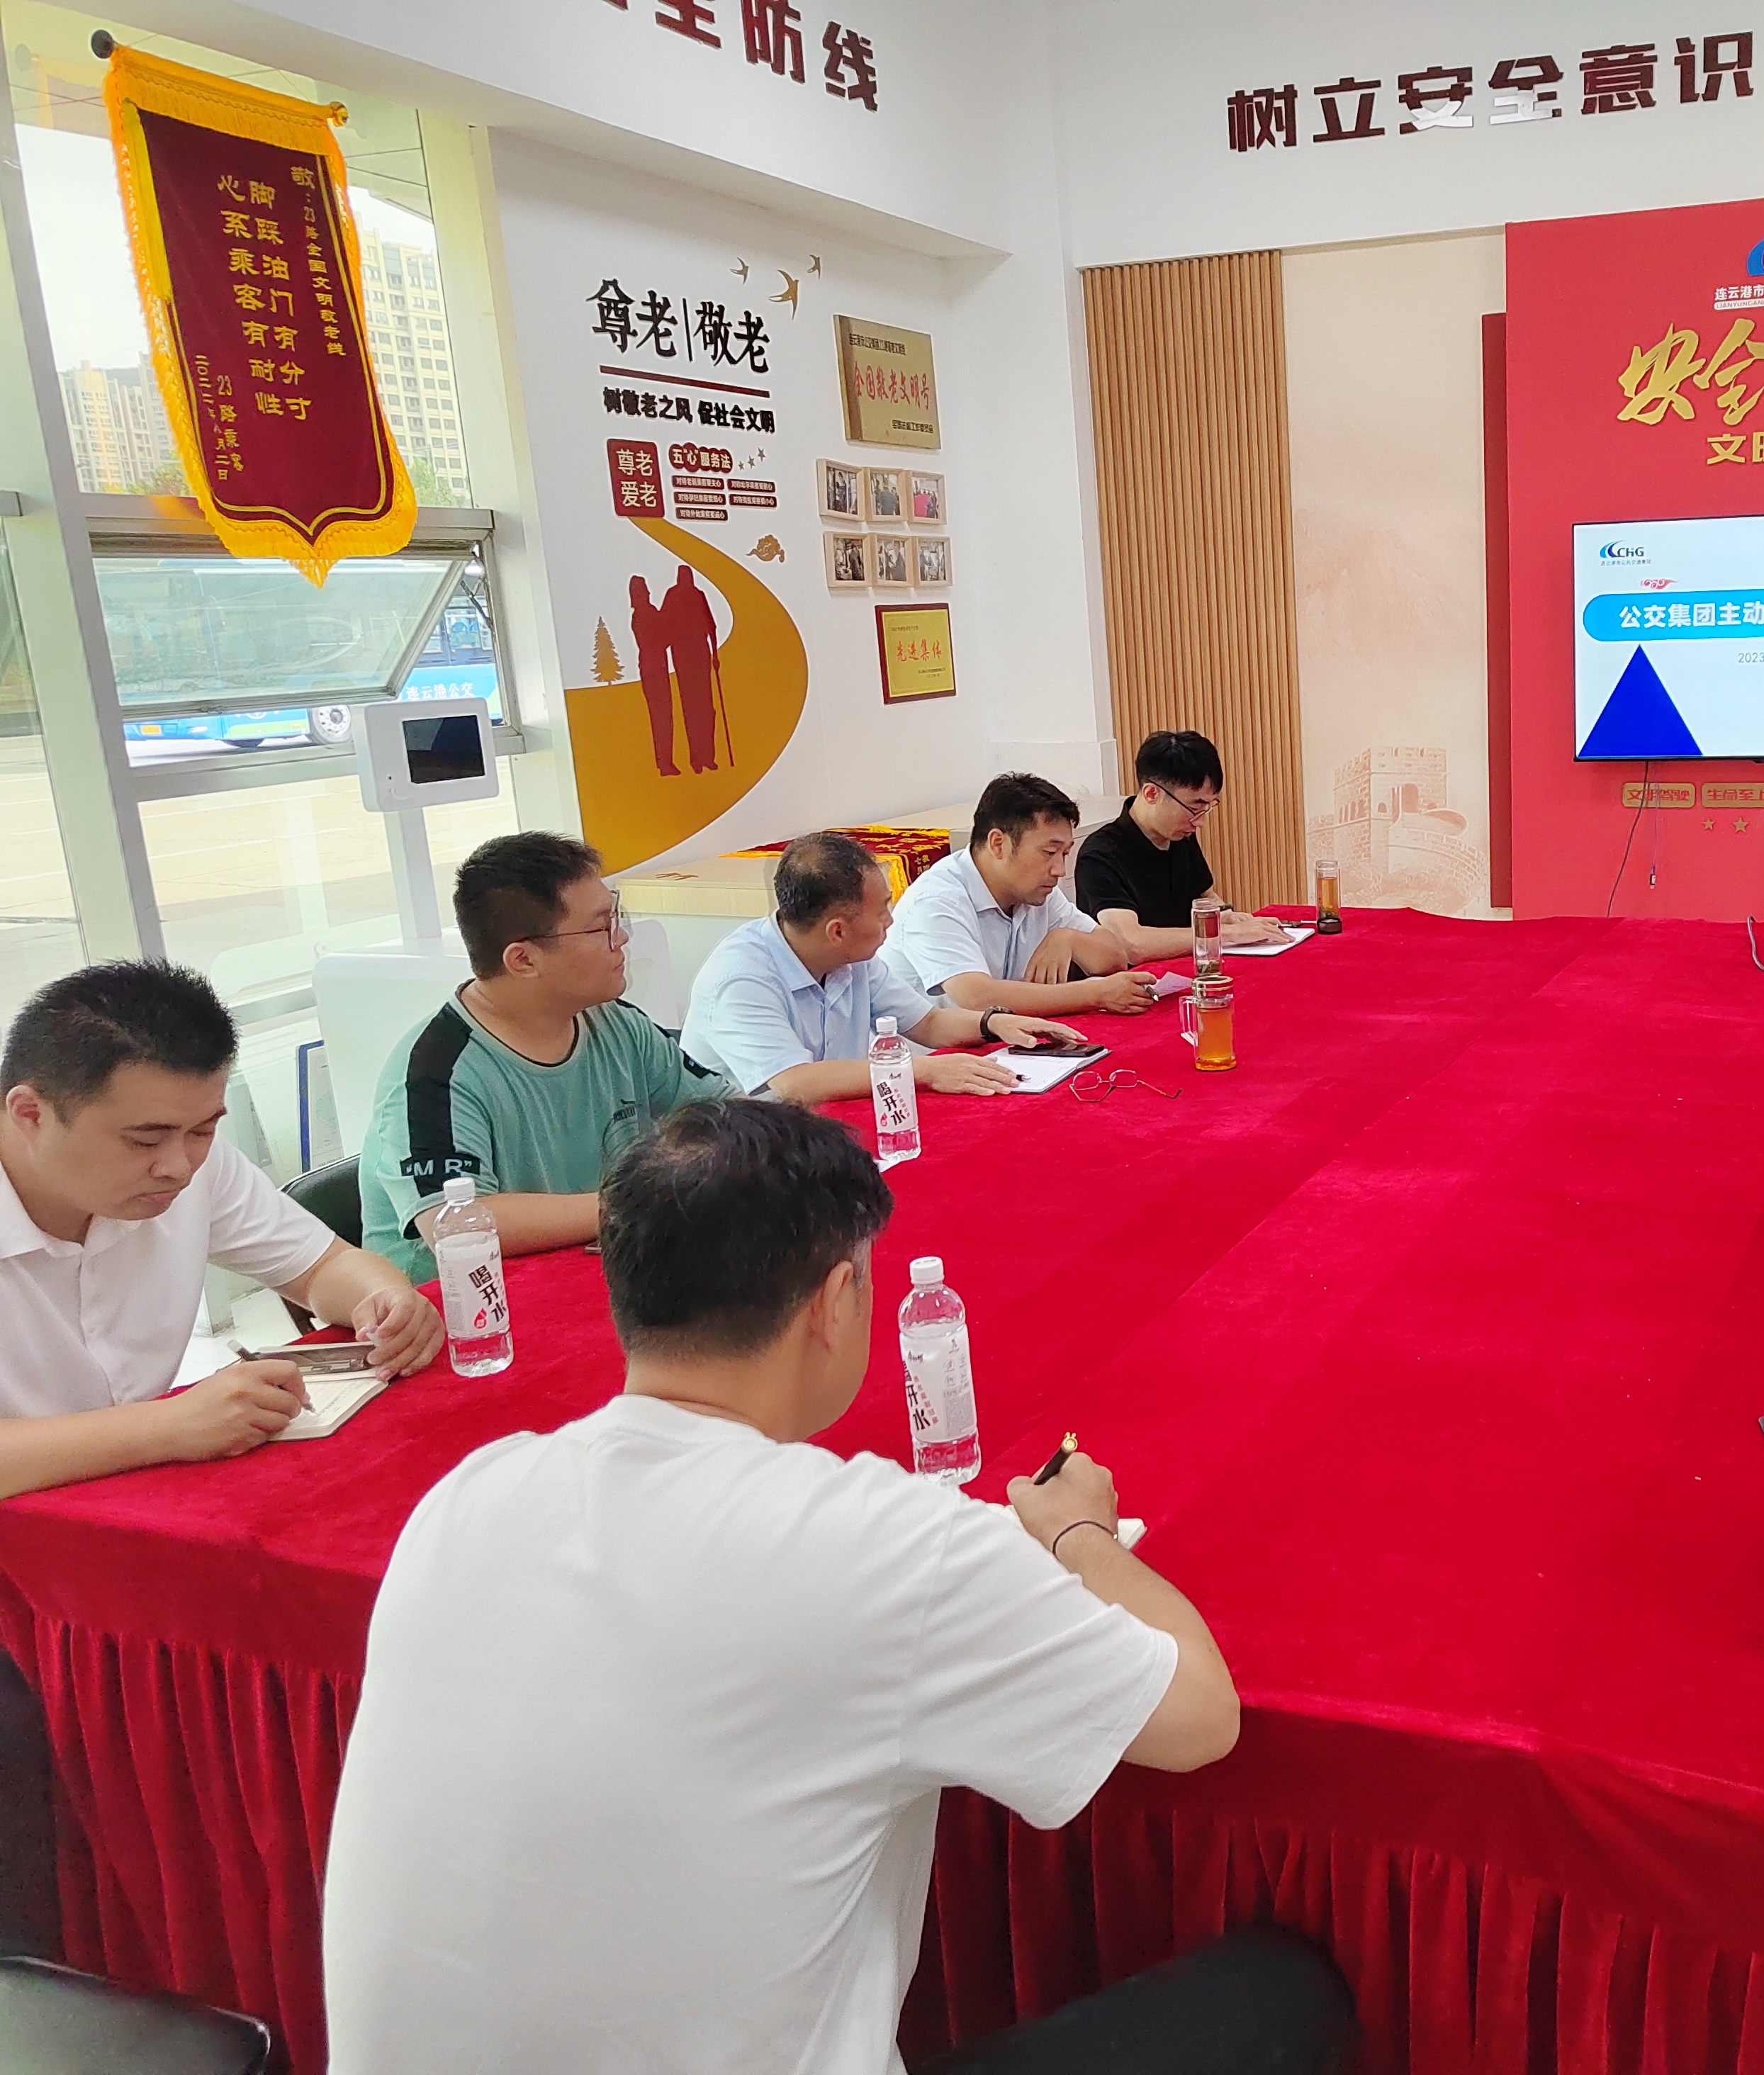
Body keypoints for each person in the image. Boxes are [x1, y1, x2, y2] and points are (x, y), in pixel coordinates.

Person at [322, 1099, 1345, 2075]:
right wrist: (1082, 1533)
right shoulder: (887, 1545)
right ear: (834, 1301)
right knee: (1284, 1997)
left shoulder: (468, 1497)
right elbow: (1198, 1719)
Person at [0, 963, 442, 1500]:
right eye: (144, 1141)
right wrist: (167, 1427)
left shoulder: (190, 1156)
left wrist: (386, 1300)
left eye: (204, 1130)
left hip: (132, 1498)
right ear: (30, 1113)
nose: (179, 1167)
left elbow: (322, 1266)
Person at [361, 833, 717, 1281]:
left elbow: (723, 1113)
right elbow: (455, 1224)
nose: (622, 937)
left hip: (595, 1270)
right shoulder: (436, 1073)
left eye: (616, 916)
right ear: (524, 960)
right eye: (600, 927)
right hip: (466, 1305)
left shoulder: (617, 1024)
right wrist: (644, 1201)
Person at [682, 831, 1089, 1101]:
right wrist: (926, 1071)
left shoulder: (850, 957)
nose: (891, 922)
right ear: (837, 931)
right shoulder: (741, 977)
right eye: (881, 912)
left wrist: (994, 1023)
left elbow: (928, 1023)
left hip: (824, 1126)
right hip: (740, 1157)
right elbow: (795, 1082)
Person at [883, 775, 1159, 1017]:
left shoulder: (1036, 891)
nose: (1060, 870)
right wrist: (1095, 994)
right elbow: (977, 998)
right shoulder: (937, 900)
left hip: (1005, 1041)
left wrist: (1069, 939)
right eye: (1049, 852)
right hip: (926, 1055)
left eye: (1064, 853)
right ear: (998, 844)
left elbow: (1114, 958)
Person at [1074, 729, 1290, 960]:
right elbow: (1131, 944)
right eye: (1194, 808)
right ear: (1152, 794)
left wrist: (1229, 917)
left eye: (1206, 808)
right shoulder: (1099, 856)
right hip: (1138, 979)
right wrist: (1228, 934)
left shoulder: (1180, 836)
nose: (1200, 822)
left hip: (1188, 967)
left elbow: (1205, 897)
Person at [663, 563, 723, 774]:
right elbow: (666, 626)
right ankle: (696, 759)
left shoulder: (698, 595)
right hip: (684, 659)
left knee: (706, 709)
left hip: (700, 657)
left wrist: (715, 654)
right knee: (691, 709)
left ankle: (708, 757)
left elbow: (711, 625)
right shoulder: (673, 596)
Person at [629, 573, 677, 777]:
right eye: (645, 590)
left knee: (661, 716)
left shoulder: (643, 614)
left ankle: (665, 762)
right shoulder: (645, 614)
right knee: (662, 716)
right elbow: (661, 638)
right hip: (654, 668)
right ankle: (665, 763)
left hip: (652, 667)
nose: (648, 593)